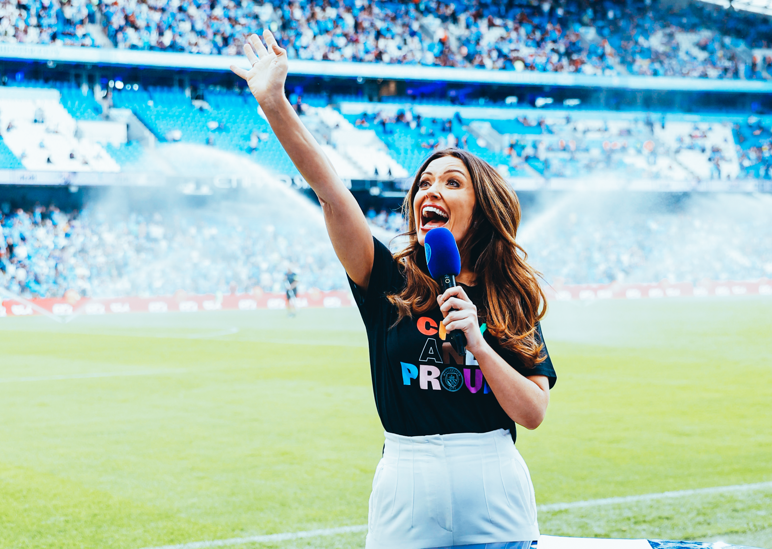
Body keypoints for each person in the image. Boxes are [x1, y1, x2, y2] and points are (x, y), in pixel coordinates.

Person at [231, 31, 556, 549]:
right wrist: (275, 105)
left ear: (485, 206)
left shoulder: (508, 297)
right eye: (424, 183)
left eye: (452, 182)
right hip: (407, 477)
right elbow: (334, 197)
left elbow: (533, 414)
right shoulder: (388, 277)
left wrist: (478, 341)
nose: (431, 190)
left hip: (494, 481)